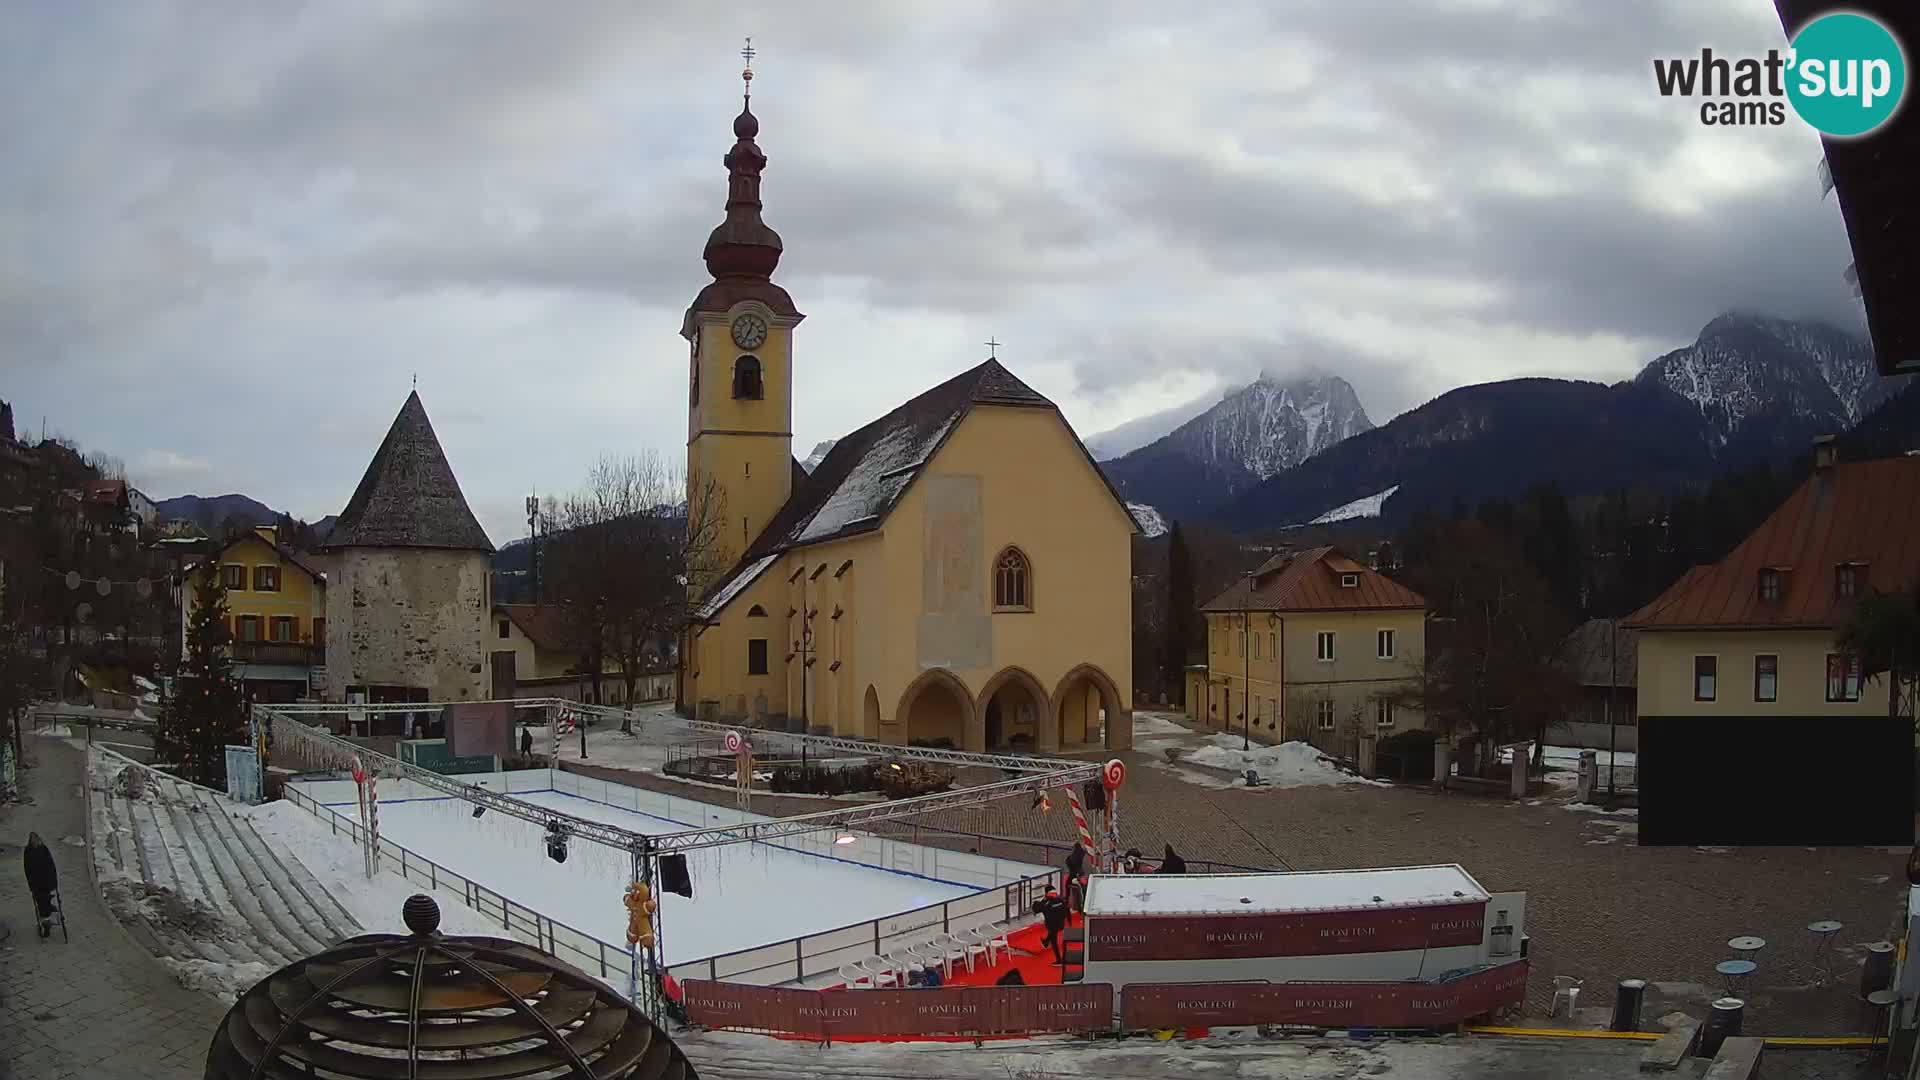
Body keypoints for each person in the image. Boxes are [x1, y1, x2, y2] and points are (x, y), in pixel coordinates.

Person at [23, 832, 58, 938]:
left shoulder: (43, 849)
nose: (35, 842)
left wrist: (53, 881)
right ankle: (46, 919)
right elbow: (27, 869)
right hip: (37, 882)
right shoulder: (29, 851)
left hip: (44, 881)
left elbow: (51, 865)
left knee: (44, 900)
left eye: (36, 840)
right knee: (42, 901)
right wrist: (30, 884)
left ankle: (46, 918)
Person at [1033, 888, 1071, 965]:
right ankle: (1046, 942)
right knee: (1052, 935)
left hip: (1052, 925)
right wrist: (1069, 920)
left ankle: (1059, 960)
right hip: (1060, 923)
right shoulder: (1061, 900)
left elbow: (1038, 909)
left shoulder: (1046, 904)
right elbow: (1067, 909)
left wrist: (1043, 900)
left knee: (1054, 942)